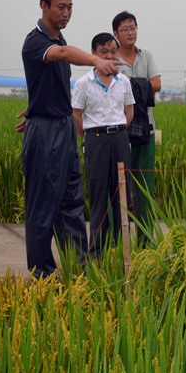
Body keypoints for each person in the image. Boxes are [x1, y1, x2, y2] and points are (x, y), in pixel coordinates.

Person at [17, 0, 118, 278]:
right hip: (45, 133)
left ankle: (78, 269)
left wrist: (35, 108)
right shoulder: (36, 41)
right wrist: (96, 60)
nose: (66, 12)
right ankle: (42, 275)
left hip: (62, 126)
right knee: (42, 205)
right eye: (60, 6)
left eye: (70, 7)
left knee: (72, 201)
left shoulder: (58, 38)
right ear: (44, 6)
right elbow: (61, 54)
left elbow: (47, 85)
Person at [71, 33, 135, 259]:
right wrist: (89, 138)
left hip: (120, 139)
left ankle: (122, 250)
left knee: (121, 194)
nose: (109, 56)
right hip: (95, 140)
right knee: (99, 196)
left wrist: (117, 132)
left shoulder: (123, 81)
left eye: (113, 52)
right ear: (94, 54)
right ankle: (96, 251)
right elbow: (76, 115)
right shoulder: (83, 83)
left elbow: (129, 112)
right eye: (103, 52)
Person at [113, 11, 161, 245]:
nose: (130, 32)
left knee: (144, 188)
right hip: (120, 131)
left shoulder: (146, 56)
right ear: (116, 33)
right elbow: (110, 88)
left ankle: (145, 240)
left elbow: (157, 83)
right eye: (125, 29)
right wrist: (142, 87)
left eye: (133, 27)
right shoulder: (112, 59)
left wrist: (128, 86)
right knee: (117, 187)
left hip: (146, 130)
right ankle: (115, 241)